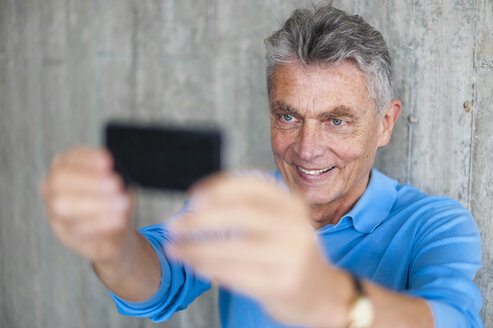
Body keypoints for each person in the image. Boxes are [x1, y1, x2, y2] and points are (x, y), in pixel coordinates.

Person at [41, 3, 483, 328]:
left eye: (336, 120)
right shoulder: (243, 203)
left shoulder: (434, 224)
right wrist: (110, 243)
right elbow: (157, 279)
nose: (307, 149)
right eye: (288, 116)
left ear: (385, 124)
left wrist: (326, 298)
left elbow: (453, 318)